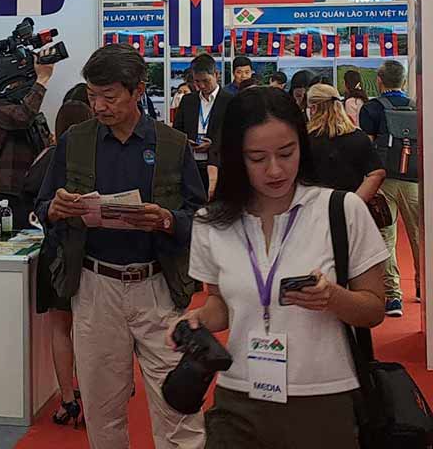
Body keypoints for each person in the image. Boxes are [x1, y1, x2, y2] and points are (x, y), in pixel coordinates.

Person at [176, 86, 387, 448]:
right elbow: (221, 305)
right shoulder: (212, 221)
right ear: (235, 157)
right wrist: (195, 320)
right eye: (257, 158)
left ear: (302, 146)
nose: (274, 170)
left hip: (322, 398)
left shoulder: (341, 210)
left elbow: (374, 309)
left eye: (286, 153)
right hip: (238, 397)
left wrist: (333, 298)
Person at [36, 44, 207, 449]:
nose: (98, 106)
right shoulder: (75, 142)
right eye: (92, 95)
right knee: (102, 409)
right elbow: (44, 206)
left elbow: (200, 218)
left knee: (178, 406)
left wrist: (167, 220)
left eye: (109, 96)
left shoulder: (172, 144)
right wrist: (56, 209)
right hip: (95, 287)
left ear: (138, 90)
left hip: (159, 288)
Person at [26, 97, 96, 428]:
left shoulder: (51, 157)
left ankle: (68, 398)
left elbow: (35, 198)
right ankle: (92, 395)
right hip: (89, 253)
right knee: (88, 329)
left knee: (61, 328)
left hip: (57, 253)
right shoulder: (95, 156)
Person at [359, 60, 422, 316]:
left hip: (383, 180)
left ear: (379, 80)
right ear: (404, 81)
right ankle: (423, 287)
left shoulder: (371, 108)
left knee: (386, 236)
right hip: (415, 181)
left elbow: (366, 147)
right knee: (419, 235)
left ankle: (393, 296)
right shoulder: (418, 106)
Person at [0, 59, 54, 209]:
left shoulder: (23, 108)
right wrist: (42, 79)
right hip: (8, 191)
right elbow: (23, 117)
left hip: (29, 187)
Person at [306, 84, 385, 203]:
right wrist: (354, 203)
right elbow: (377, 173)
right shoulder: (359, 137)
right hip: (348, 205)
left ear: (313, 108)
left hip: (314, 206)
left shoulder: (304, 140)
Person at [173, 54, 233, 199]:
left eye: (206, 81)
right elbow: (177, 130)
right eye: (197, 81)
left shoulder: (230, 101)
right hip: (191, 164)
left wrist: (213, 145)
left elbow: (234, 134)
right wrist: (185, 141)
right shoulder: (188, 101)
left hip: (218, 164)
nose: (201, 86)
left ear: (216, 75)